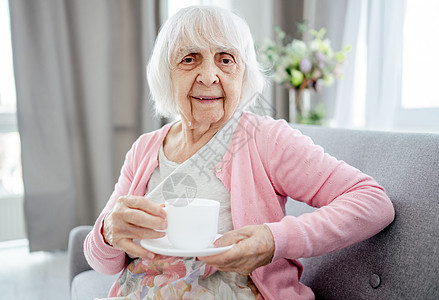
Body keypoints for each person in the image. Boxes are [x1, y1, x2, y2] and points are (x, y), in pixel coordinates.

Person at [84, 5, 395, 299]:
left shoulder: (264, 138)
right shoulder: (145, 148)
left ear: (243, 73)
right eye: (189, 59)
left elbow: (372, 201)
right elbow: (104, 262)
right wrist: (108, 232)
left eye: (226, 59)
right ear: (167, 73)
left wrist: (275, 239)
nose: (208, 76)